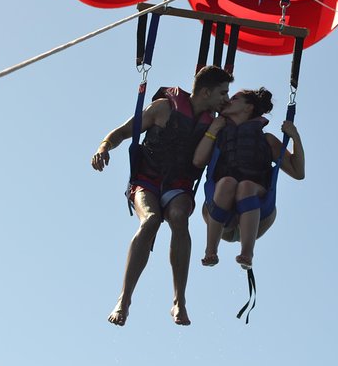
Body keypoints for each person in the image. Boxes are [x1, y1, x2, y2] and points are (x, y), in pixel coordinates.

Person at [91, 65, 233, 326]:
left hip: (178, 185)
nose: (226, 99)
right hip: (146, 180)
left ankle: (179, 301)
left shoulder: (214, 123)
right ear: (206, 92)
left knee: (179, 217)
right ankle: (124, 299)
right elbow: (123, 132)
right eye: (223, 93)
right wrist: (103, 147)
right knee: (151, 220)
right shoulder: (163, 108)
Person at [192, 87, 305, 270]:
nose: (229, 100)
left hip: (259, 214)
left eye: (235, 98)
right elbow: (198, 160)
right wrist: (213, 129)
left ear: (248, 108)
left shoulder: (266, 140)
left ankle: (247, 253)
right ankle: (210, 250)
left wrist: (295, 137)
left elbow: (298, 172)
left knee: (245, 186)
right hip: (221, 218)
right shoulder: (219, 133)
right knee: (227, 182)